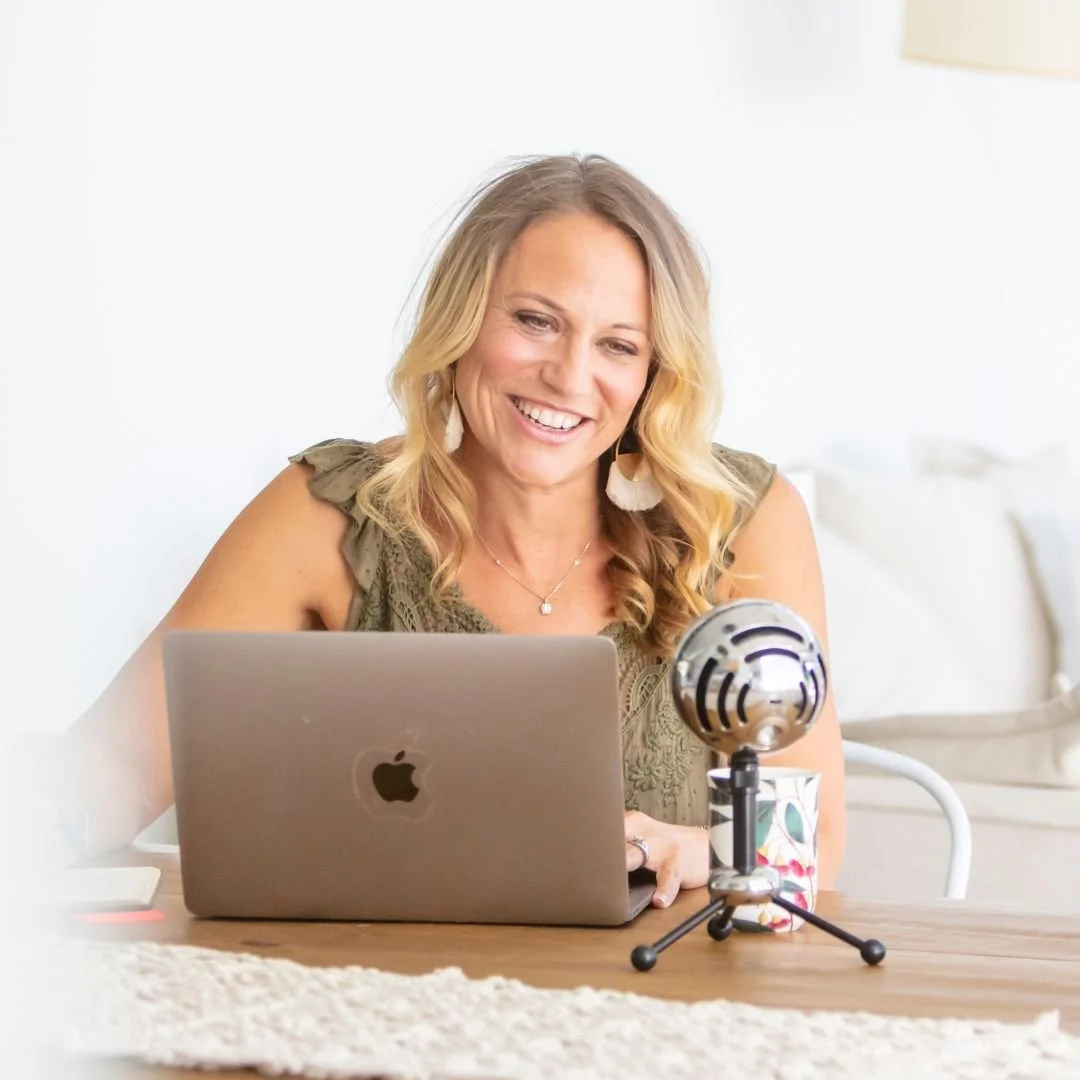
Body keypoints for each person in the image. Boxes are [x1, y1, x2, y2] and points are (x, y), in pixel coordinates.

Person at [39, 153, 845, 908]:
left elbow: (818, 845)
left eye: (617, 345)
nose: (568, 376)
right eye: (534, 320)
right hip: (371, 1006)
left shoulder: (740, 520)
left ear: (654, 373)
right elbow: (111, 768)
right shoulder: (328, 512)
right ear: (460, 324)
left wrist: (706, 853)